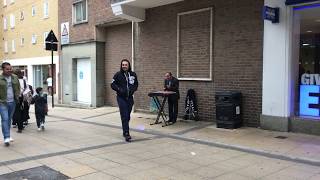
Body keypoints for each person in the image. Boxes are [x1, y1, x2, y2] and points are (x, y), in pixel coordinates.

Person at [111, 59, 138, 142]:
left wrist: (133, 89)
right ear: (121, 65)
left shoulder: (133, 74)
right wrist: (119, 89)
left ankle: (125, 128)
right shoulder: (118, 74)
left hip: (130, 98)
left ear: (128, 65)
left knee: (127, 116)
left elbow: (136, 84)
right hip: (121, 98)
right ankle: (126, 133)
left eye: (126, 65)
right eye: (123, 65)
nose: (124, 66)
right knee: (125, 115)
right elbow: (112, 84)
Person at [0, 62, 20, 146]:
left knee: (9, 119)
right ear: (3, 69)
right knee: (5, 118)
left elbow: (18, 87)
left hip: (13, 102)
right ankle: (6, 137)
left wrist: (18, 95)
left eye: (10, 68)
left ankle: (7, 135)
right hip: (2, 102)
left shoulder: (15, 77)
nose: (9, 70)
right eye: (7, 69)